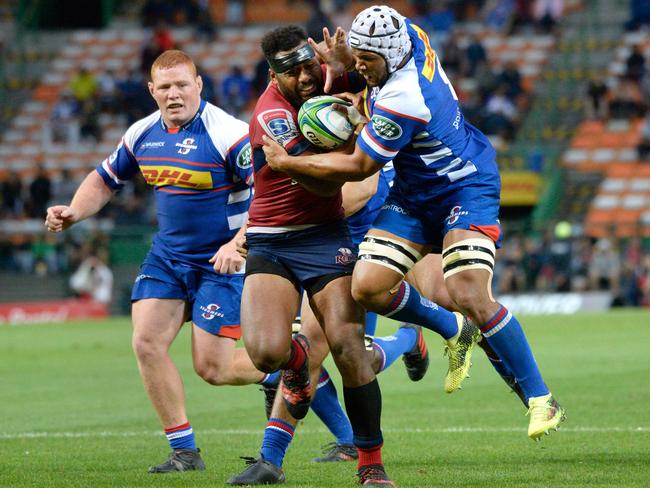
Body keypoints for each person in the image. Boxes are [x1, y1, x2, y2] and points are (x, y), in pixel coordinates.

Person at [261, 6, 566, 441]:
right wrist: (348, 63)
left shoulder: (402, 98)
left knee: (468, 292)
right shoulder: (409, 34)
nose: (360, 65)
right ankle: (450, 327)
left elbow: (359, 165)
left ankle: (540, 398)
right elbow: (372, 59)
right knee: (366, 286)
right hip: (413, 193)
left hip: (464, 187)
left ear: (389, 53)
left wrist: (290, 162)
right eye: (360, 55)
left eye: (367, 59)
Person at [45, 49, 282, 474]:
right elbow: (104, 179)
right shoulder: (141, 134)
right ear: (152, 91)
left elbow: (268, 195)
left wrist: (238, 245)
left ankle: (275, 375)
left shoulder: (229, 134)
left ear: (199, 86)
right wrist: (73, 212)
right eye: (165, 87)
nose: (174, 94)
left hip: (221, 261)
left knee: (213, 368)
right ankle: (185, 452)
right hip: (168, 257)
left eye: (182, 85)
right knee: (145, 342)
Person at [226, 25, 405, 487]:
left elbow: (383, 83)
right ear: (272, 75)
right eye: (293, 71)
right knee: (266, 354)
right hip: (271, 238)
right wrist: (355, 140)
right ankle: (297, 363)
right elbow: (324, 181)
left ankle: (371, 467)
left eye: (309, 63)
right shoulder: (271, 116)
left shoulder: (324, 74)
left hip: (327, 236)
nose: (307, 76)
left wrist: (347, 65)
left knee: (350, 350)